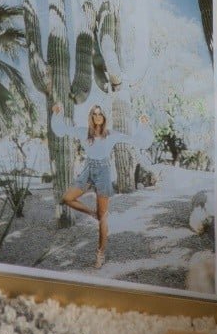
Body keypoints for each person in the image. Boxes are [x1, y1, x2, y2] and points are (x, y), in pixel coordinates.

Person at [51, 103, 152, 268]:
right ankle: (93, 213)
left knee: (103, 218)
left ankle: (100, 253)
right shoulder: (83, 132)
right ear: (91, 117)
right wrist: (58, 113)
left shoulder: (111, 134)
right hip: (88, 169)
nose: (97, 117)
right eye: (94, 114)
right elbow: (63, 130)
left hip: (104, 172)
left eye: (100, 114)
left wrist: (143, 124)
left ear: (104, 117)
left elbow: (134, 140)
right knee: (67, 198)